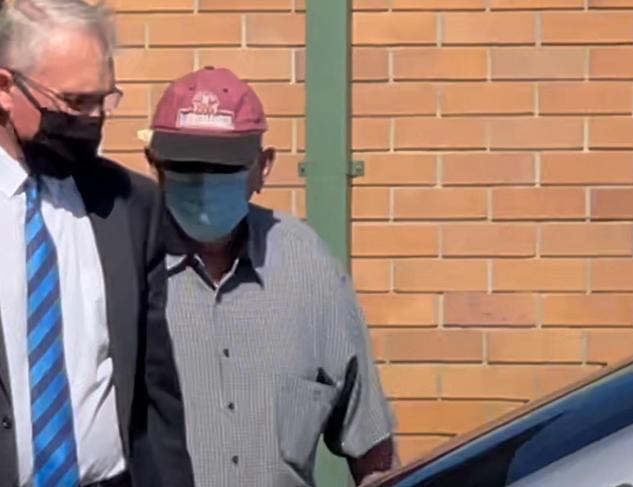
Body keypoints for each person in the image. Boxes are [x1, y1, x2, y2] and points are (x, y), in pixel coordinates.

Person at [140, 66, 397, 487]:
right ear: (155, 165)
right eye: (186, 165)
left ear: (263, 166)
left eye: (223, 166)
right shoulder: (125, 265)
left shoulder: (305, 264)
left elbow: (370, 447)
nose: (204, 183)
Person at [0, 1, 194, 486]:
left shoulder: (131, 205)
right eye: (74, 102)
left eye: (103, 100)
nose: (92, 119)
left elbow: (155, 394)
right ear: (5, 88)